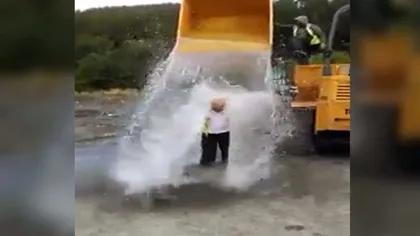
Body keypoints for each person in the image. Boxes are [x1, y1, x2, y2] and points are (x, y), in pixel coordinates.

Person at [199, 98, 230, 166]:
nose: (223, 108)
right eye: (221, 106)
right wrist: (204, 135)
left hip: (224, 132)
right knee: (209, 149)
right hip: (211, 133)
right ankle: (207, 162)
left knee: (225, 148)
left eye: (223, 106)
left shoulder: (225, 113)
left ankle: (225, 160)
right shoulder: (208, 114)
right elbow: (206, 126)